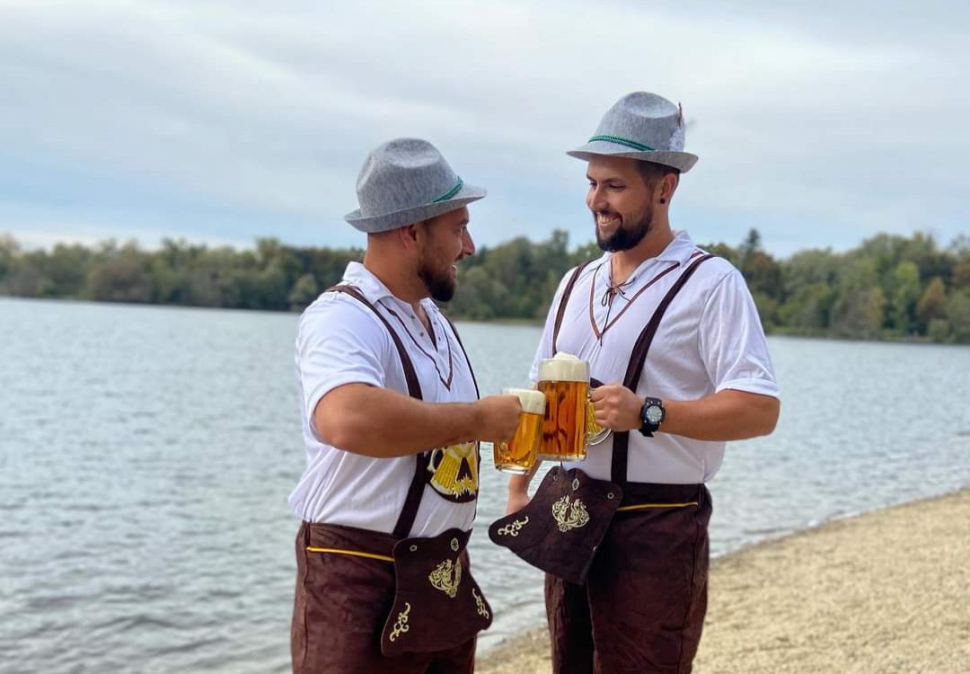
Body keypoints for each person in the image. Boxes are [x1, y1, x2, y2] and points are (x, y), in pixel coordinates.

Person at [506, 92, 781, 673]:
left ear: (664, 188)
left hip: (657, 529)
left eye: (613, 186)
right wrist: (517, 485)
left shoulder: (712, 283)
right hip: (568, 514)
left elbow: (759, 409)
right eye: (591, 183)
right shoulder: (575, 283)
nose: (595, 201)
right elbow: (536, 393)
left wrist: (649, 413)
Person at [289, 137, 521, 673]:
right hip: (359, 579)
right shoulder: (341, 317)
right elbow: (346, 417)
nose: (470, 246)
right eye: (458, 227)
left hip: (442, 578)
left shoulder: (432, 320)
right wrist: (481, 419)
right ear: (412, 231)